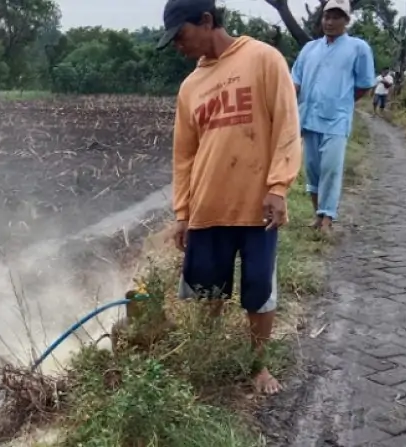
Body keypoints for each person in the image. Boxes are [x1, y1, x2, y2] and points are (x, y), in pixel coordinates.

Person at [156, 0, 302, 395]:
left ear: (206, 20)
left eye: (181, 36)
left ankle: (258, 367)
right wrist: (182, 212)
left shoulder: (264, 59)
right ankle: (206, 359)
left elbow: (287, 124)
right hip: (207, 207)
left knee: (259, 289)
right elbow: (184, 155)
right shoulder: (190, 87)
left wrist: (278, 187)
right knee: (206, 290)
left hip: (257, 208)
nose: (177, 46)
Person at [291, 0, 375, 233]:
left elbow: (364, 85)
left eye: (336, 17)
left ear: (346, 20)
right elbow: (295, 81)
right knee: (312, 169)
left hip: (336, 119)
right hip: (308, 117)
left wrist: (342, 102)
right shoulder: (310, 48)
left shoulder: (358, 48)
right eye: (327, 17)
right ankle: (317, 215)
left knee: (331, 168)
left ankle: (328, 217)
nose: (329, 22)